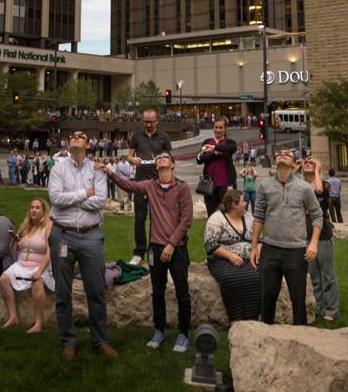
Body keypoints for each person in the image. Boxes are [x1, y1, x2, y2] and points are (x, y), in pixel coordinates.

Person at [99, 151, 193, 352]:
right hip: (156, 248)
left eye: (165, 157)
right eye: (158, 158)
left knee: (182, 293)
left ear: (173, 165)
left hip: (177, 249)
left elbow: (186, 220)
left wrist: (171, 244)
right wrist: (109, 172)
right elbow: (128, 185)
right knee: (157, 293)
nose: (161, 159)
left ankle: (184, 334)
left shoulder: (183, 188)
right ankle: (159, 331)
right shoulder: (150, 186)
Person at [48, 131, 116, 359]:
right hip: (62, 235)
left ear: (88, 144)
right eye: (73, 135)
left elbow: (100, 201)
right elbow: (55, 198)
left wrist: (72, 196)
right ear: (69, 142)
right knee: (62, 290)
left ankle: (100, 339)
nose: (76, 137)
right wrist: (85, 193)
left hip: (90, 237)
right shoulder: (58, 168)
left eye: (81, 135)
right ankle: (68, 339)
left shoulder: (96, 169)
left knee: (96, 290)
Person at [250, 149, 321, 325]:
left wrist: (313, 243)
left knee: (298, 300)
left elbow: (317, 216)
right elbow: (258, 217)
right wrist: (254, 246)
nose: (282, 154)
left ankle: (300, 337)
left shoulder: (304, 188)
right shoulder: (265, 185)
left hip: (296, 251)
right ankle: (267, 335)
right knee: (267, 298)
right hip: (270, 249)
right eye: (279, 153)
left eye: (287, 154)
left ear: (295, 164)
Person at [203, 188, 260, 322]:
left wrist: (256, 251)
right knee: (232, 278)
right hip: (222, 259)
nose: (246, 203)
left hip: (248, 258)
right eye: (243, 201)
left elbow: (259, 239)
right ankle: (236, 318)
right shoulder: (216, 219)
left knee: (258, 276)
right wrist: (230, 256)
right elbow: (210, 244)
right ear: (233, 204)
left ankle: (253, 317)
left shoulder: (248, 217)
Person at [0, 197, 56, 334]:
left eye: (37, 208)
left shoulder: (48, 226)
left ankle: (38, 323)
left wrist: (40, 271)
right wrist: (15, 241)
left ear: (44, 211)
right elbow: (16, 249)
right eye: (32, 207)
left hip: (40, 264)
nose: (34, 210)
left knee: (37, 282)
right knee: (4, 279)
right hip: (21, 264)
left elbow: (50, 251)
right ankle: (13, 317)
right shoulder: (25, 226)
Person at [126, 109, 173, 264]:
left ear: (157, 121)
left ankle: (155, 248)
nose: (148, 124)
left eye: (151, 121)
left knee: (157, 218)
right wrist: (132, 160)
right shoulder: (137, 136)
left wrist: (163, 159)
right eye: (146, 121)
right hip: (140, 181)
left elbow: (170, 158)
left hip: (158, 181)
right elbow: (129, 155)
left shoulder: (164, 137)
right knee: (139, 217)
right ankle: (139, 252)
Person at [302, 158, 340, 321]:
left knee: (328, 275)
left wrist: (317, 171)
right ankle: (318, 306)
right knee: (313, 275)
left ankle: (331, 309)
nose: (307, 163)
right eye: (306, 162)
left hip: (323, 235)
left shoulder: (324, 185)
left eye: (312, 162)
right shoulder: (300, 185)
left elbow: (318, 191)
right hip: (305, 235)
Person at [196, 117, 238, 216]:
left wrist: (214, 148)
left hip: (225, 184)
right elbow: (199, 159)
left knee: (226, 212)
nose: (218, 130)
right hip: (209, 184)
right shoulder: (207, 142)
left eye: (220, 128)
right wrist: (215, 153)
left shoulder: (229, 142)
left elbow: (232, 148)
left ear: (225, 129)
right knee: (211, 213)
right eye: (216, 127)